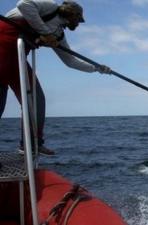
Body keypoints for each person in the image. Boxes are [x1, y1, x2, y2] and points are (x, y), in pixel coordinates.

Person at [0, 0, 111, 155]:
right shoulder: (50, 7)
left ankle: (31, 144)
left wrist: (97, 68)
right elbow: (23, 5)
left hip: (17, 60)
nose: (78, 24)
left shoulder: (58, 34)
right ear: (71, 13)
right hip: (3, 49)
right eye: (78, 19)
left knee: (36, 100)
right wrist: (44, 32)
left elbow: (70, 61)